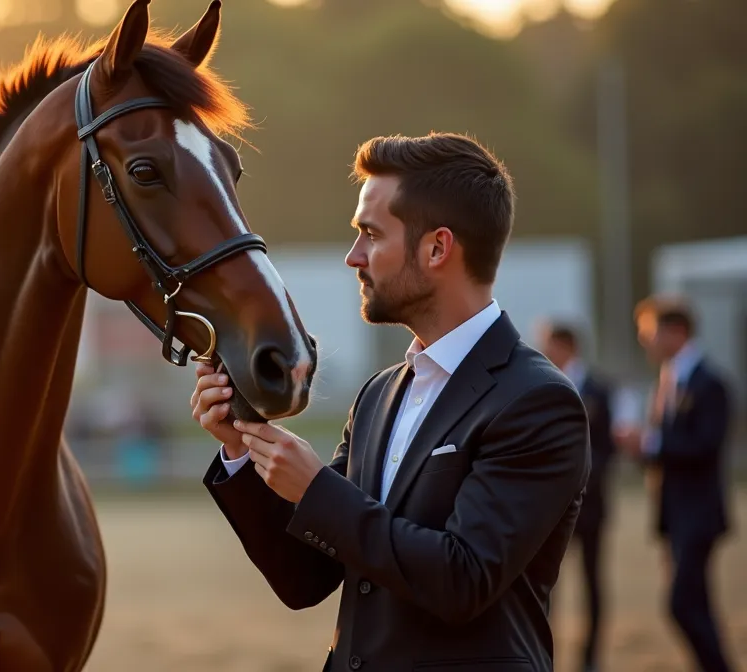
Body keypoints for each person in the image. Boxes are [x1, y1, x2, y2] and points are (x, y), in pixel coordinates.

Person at [190, 132, 590, 671]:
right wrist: (241, 447)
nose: (353, 257)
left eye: (371, 235)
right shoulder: (379, 394)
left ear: (436, 248)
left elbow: (463, 579)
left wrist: (316, 487)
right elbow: (304, 578)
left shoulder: (537, 401)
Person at [615, 295, 734, 672]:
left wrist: (650, 442)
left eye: (649, 332)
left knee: (682, 603)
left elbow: (705, 445)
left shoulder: (709, 383)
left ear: (676, 331)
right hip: (673, 512)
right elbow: (664, 451)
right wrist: (638, 447)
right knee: (694, 602)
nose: (644, 341)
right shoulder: (666, 380)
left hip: (697, 512)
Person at [537, 321, 615, 672]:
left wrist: (575, 474)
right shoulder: (539, 386)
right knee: (545, 584)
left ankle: (590, 659)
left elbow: (607, 448)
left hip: (592, 504)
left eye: (549, 345)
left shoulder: (599, 390)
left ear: (568, 347)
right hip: (549, 509)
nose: (544, 352)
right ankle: (541, 652)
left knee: (592, 582)